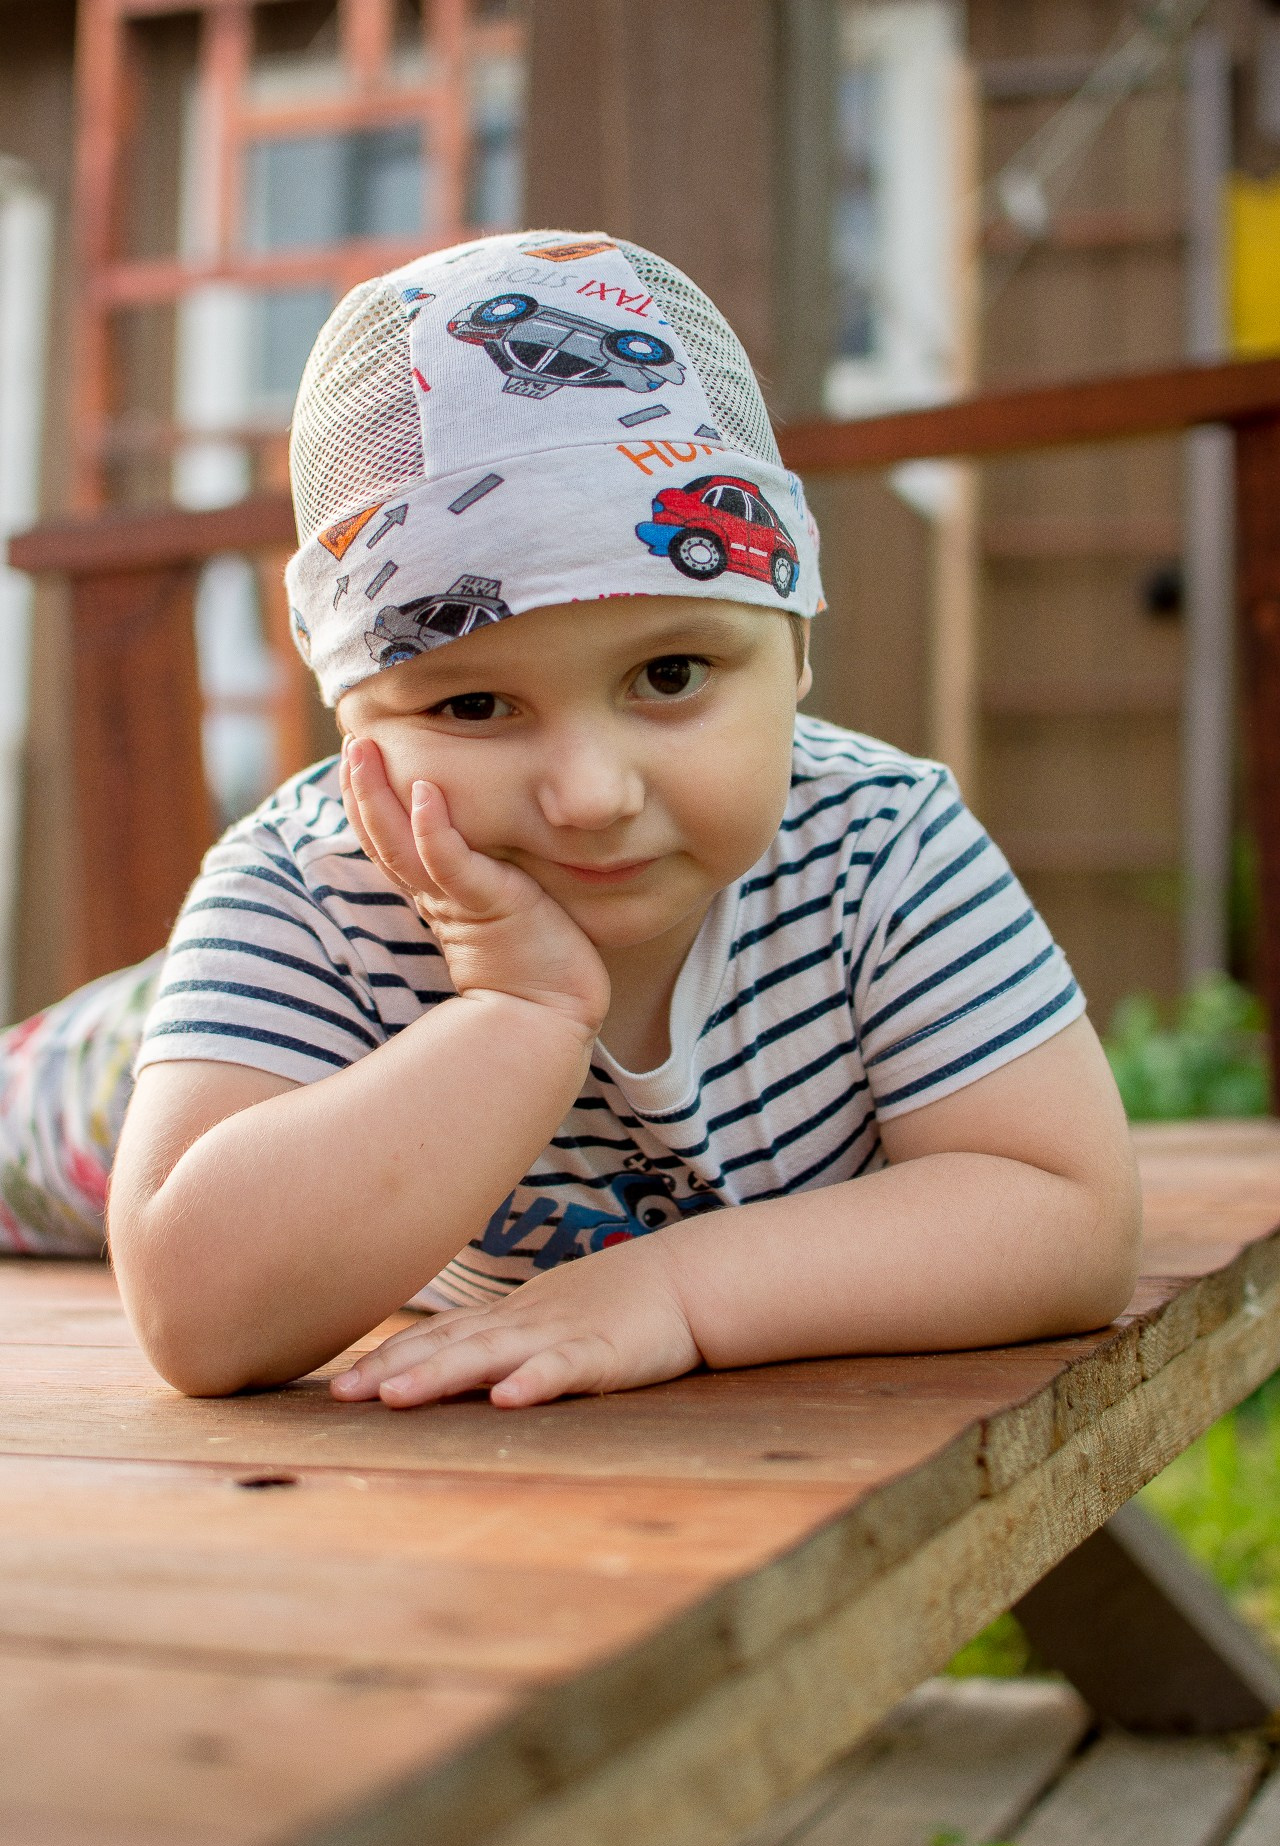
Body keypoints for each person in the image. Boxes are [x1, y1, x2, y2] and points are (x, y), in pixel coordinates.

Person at [9, 230, 1141, 1408]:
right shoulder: (306, 892)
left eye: (669, 676)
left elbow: (1067, 1213)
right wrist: (519, 1010)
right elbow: (196, 1319)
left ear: (795, 646)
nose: (591, 795)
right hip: (103, 1090)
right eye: (475, 702)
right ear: (356, 724)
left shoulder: (879, 844)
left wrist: (679, 1293)